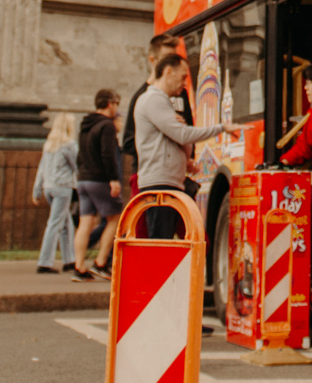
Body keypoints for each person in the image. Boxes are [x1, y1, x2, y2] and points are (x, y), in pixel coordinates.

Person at [133, 51, 237, 240]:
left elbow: (177, 137)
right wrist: (222, 127)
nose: (184, 84)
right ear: (168, 72)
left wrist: (184, 159)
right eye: (182, 77)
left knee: (175, 241)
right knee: (162, 244)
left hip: (167, 183)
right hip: (161, 185)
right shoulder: (153, 100)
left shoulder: (159, 101)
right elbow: (183, 135)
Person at [72, 88, 122, 280]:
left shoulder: (85, 124)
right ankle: (100, 263)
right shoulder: (107, 126)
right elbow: (108, 154)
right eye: (116, 104)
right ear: (109, 103)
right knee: (114, 218)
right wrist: (113, 179)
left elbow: (80, 154)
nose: (116, 108)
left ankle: (79, 267)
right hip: (99, 179)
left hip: (83, 178)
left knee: (85, 223)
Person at [31, 112, 80, 274]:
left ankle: (70, 260)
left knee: (65, 223)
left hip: (49, 187)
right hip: (62, 187)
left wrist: (37, 190)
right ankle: (44, 262)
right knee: (55, 224)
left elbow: (41, 168)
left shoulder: (50, 144)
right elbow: (77, 166)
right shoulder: (69, 145)